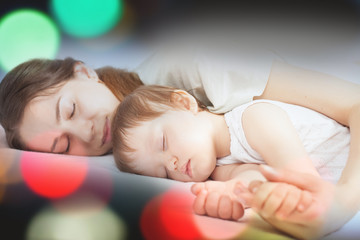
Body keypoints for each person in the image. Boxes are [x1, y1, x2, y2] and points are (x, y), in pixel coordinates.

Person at [0, 50, 360, 238]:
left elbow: (354, 103)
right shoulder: (144, 160)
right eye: (63, 146)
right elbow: (254, 180)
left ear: (83, 71)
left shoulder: (196, 69)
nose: (85, 133)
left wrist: (342, 202)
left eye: (72, 108)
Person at [111, 84, 351, 239]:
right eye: (163, 172)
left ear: (185, 104)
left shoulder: (255, 118)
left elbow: (302, 179)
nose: (172, 164)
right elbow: (254, 182)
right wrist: (228, 196)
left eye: (163, 143)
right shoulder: (220, 169)